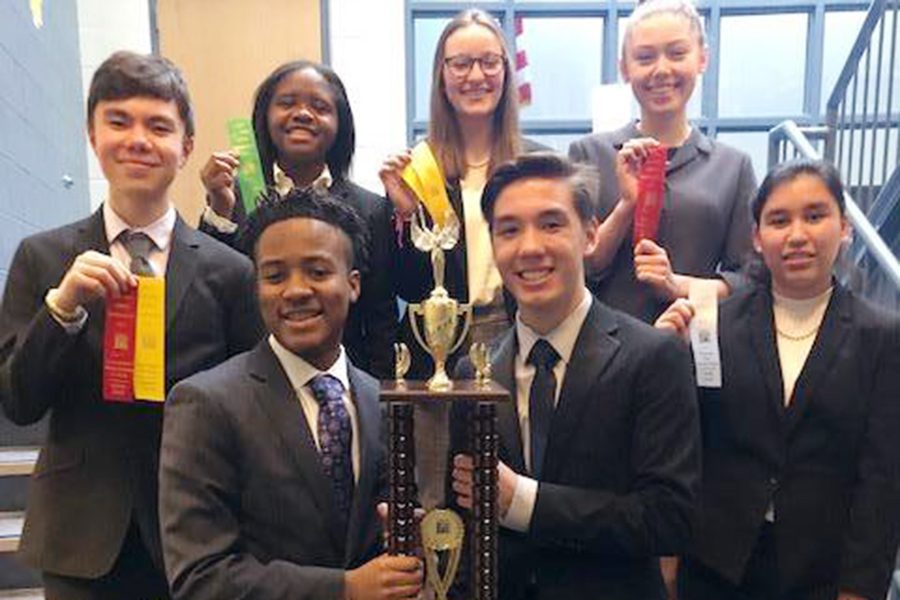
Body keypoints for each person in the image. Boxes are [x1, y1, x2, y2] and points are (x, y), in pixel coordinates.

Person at [0, 51, 262, 599]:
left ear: (185, 147)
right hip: (82, 536)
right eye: (118, 121)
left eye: (159, 126)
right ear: (92, 136)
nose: (138, 139)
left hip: (198, 534)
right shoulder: (42, 259)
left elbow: (251, 408)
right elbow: (18, 402)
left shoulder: (229, 271)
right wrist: (61, 309)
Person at [451, 153, 701, 600]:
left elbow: (670, 518)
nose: (529, 247)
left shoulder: (653, 357)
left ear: (589, 234)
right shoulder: (472, 371)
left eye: (551, 224)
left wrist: (525, 502)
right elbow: (468, 514)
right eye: (509, 230)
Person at [160, 188, 424, 600]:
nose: (296, 290)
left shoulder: (384, 403)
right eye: (275, 275)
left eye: (318, 272)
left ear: (353, 285)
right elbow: (200, 577)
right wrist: (345, 589)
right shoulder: (206, 404)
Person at [656, 159, 900, 600]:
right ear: (757, 237)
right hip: (713, 566)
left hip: (822, 573)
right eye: (779, 220)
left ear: (844, 227)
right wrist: (667, 559)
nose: (797, 235)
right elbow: (686, 454)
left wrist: (861, 588)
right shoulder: (715, 327)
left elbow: (883, 479)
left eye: (815, 215)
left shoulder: (882, 338)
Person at [199, 60, 397, 378]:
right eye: (287, 103)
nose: (303, 114)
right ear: (265, 118)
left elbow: (380, 318)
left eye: (320, 106)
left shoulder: (370, 209)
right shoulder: (233, 197)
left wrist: (377, 400)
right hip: (251, 385)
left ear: (340, 124)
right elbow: (211, 292)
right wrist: (219, 211)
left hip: (340, 387)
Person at [569, 0, 757, 323]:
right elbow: (574, 265)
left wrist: (679, 285)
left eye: (676, 53)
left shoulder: (732, 167)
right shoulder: (589, 156)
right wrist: (628, 203)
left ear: (702, 58)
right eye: (645, 58)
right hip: (604, 354)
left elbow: (750, 281)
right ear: (625, 68)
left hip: (695, 349)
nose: (661, 70)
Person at [380, 9, 537, 375]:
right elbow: (409, 287)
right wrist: (405, 215)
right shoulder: (418, 167)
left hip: (520, 330)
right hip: (440, 340)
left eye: (489, 62)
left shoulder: (537, 163)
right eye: (461, 64)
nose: (476, 76)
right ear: (442, 76)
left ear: (506, 72)